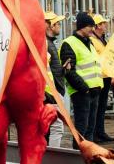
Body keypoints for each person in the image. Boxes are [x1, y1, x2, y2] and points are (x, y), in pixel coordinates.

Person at [59, 12, 103, 143]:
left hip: (94, 91)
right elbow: (69, 71)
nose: (93, 29)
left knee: (90, 128)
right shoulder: (69, 43)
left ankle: (89, 152)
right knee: (81, 127)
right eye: (90, 26)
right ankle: (79, 152)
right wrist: (85, 89)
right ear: (82, 26)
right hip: (82, 92)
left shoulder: (89, 42)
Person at [89, 14, 114, 143]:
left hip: (106, 75)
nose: (105, 25)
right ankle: (94, 133)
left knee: (102, 106)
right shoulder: (92, 40)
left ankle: (100, 131)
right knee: (96, 107)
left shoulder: (102, 39)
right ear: (98, 26)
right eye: (103, 23)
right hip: (98, 77)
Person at [43, 11, 66, 147]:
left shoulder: (49, 43)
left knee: (48, 127)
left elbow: (52, 69)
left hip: (52, 92)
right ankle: (52, 156)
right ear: (50, 26)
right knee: (57, 127)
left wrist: (63, 69)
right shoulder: (45, 44)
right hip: (50, 93)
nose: (59, 27)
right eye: (58, 24)